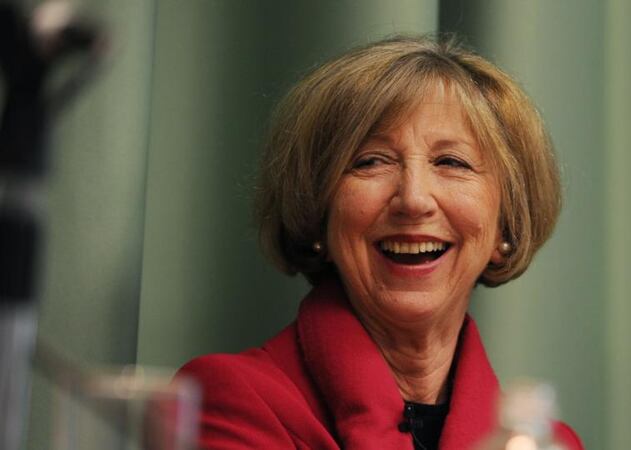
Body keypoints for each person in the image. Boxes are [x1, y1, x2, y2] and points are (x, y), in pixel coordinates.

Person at [178, 35, 584, 450]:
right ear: (319, 212)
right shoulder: (228, 400)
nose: (413, 199)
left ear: (505, 224)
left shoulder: (545, 444)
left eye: (451, 162)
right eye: (371, 161)